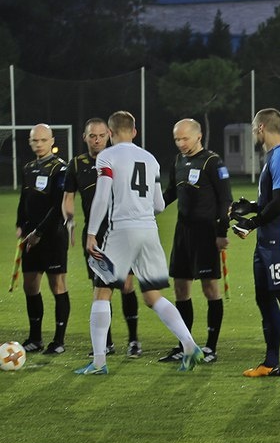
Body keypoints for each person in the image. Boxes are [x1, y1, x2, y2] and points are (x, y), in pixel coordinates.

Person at [77, 111, 203, 374]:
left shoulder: (107, 156)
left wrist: (91, 233)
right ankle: (190, 345)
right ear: (134, 132)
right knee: (152, 295)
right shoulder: (150, 159)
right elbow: (159, 204)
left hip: (121, 230)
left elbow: (102, 196)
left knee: (102, 292)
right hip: (149, 231)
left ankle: (99, 362)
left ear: (110, 133)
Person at [231, 108, 280, 383]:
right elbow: (272, 199)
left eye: (254, 127)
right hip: (267, 242)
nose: (253, 132)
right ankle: (271, 363)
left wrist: (252, 223)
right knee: (264, 298)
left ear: (262, 127)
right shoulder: (274, 157)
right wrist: (251, 207)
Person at [63, 117, 142, 358]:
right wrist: (69, 220)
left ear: (109, 135)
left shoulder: (120, 159)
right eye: (92, 136)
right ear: (84, 137)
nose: (97, 140)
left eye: (101, 136)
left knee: (126, 285)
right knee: (99, 288)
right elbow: (68, 197)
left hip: (122, 231)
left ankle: (133, 340)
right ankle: (106, 343)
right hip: (95, 235)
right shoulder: (76, 164)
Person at [160, 119, 232, 364]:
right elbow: (171, 192)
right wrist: (151, 207)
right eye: (177, 139)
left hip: (206, 234)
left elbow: (226, 199)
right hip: (183, 232)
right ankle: (185, 344)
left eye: (185, 138)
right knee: (180, 288)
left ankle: (211, 347)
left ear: (198, 136)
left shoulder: (213, 162)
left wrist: (221, 232)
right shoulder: (178, 161)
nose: (181, 143)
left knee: (210, 289)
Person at [16, 124, 70, 355]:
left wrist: (39, 232)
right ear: (30, 142)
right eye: (34, 141)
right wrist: (20, 224)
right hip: (30, 237)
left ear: (51, 141)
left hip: (52, 236)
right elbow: (24, 199)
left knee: (57, 285)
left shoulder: (61, 169)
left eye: (43, 140)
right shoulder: (28, 168)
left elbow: (59, 206)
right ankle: (35, 338)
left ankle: (58, 341)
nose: (38, 144)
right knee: (30, 286)